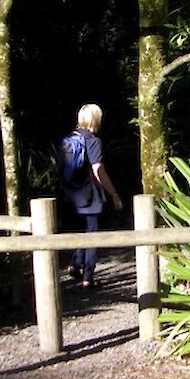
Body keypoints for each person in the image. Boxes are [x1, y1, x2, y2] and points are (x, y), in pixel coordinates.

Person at [62, 103, 123, 288]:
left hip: (72, 193)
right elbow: (98, 169)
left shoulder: (67, 140)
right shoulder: (93, 141)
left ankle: (74, 264)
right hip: (90, 195)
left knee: (81, 230)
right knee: (93, 233)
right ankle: (88, 277)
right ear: (96, 119)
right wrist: (113, 193)